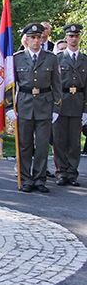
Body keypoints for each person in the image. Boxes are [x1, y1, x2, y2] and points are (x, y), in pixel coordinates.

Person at [6, 23, 61, 194]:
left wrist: (56, 108)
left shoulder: (51, 58)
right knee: (24, 145)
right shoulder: (17, 58)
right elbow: (10, 84)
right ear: (26, 39)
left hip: (45, 105)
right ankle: (26, 178)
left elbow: (57, 85)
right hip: (24, 105)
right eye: (32, 37)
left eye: (38, 37)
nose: (35, 41)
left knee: (43, 145)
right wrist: (9, 106)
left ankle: (40, 179)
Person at [53, 24, 87, 187]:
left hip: (78, 102)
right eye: (70, 36)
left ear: (79, 38)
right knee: (60, 141)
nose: (73, 39)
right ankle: (61, 172)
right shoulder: (58, 58)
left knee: (74, 142)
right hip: (61, 102)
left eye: (76, 36)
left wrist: (86, 110)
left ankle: (72, 173)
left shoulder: (85, 60)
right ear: (66, 38)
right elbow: (52, 84)